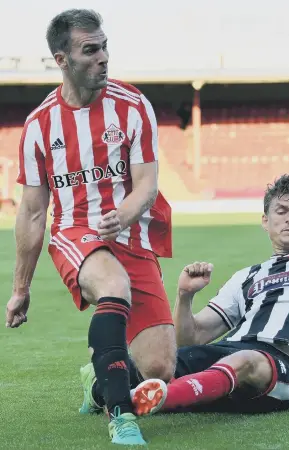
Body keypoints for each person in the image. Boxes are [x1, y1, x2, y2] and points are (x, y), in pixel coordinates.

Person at [5, 9, 176, 446]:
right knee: (113, 285)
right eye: (90, 50)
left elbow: (147, 186)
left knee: (159, 370)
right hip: (74, 230)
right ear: (62, 60)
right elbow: (33, 212)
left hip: (131, 232)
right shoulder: (40, 126)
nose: (103, 58)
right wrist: (20, 288)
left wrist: (128, 212)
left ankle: (98, 382)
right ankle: (121, 418)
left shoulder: (134, 106)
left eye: (104, 47)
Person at [130, 173, 289, 417]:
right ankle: (107, 391)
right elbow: (192, 338)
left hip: (282, 365)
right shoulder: (246, 277)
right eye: (281, 211)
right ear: (266, 220)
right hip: (229, 353)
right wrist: (185, 295)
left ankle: (162, 399)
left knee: (246, 360)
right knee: (161, 361)